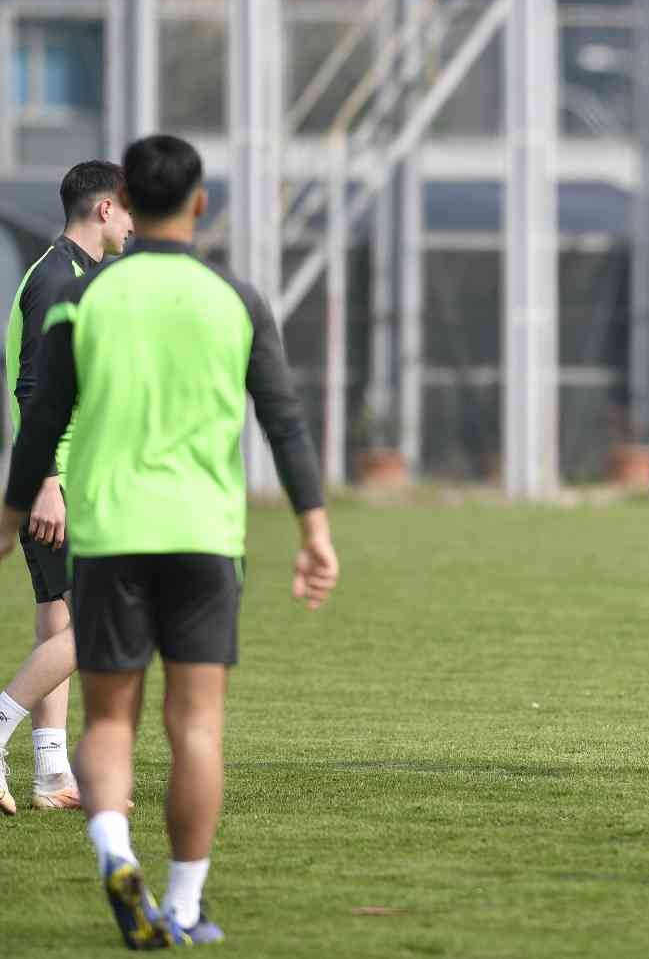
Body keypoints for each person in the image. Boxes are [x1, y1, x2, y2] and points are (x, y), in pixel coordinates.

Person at [0, 134, 340, 947]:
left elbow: (42, 413)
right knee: (195, 728)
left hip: (114, 527)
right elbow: (285, 421)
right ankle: (185, 905)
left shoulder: (91, 300)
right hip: (205, 532)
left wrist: (13, 515)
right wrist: (314, 528)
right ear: (198, 204)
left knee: (110, 718)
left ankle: (114, 848)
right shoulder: (236, 298)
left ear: (129, 205)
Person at [0, 160, 133, 816]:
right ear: (105, 209)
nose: (135, 226)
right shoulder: (56, 279)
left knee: (60, 617)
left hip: (74, 477)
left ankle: (51, 774)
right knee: (103, 624)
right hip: (61, 481)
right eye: (130, 211)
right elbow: (33, 389)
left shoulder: (75, 273)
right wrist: (48, 482)